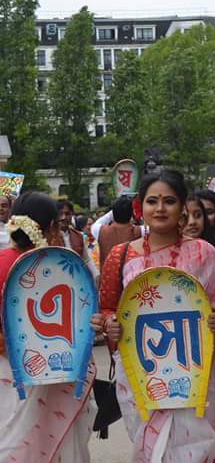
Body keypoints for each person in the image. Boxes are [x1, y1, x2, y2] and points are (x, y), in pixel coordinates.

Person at [90, 170, 215, 462]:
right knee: (149, 447)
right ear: (141, 207)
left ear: (182, 207)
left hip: (193, 368)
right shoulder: (121, 256)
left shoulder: (204, 253)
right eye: (152, 201)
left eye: (169, 201)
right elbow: (109, 306)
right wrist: (110, 323)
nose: (160, 208)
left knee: (194, 448)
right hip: (141, 368)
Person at [0, 192, 95, 462]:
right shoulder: (60, 266)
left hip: (10, 374)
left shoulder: (3, 261)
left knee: (14, 445)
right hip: (55, 373)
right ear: (51, 227)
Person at [51, 200, 99, 278]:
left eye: (67, 214)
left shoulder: (78, 235)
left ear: (72, 215)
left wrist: (96, 275)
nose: (64, 217)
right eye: (60, 214)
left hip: (76, 279)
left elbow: (86, 260)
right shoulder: (49, 236)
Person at [98, 197, 141, 268]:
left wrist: (116, 210)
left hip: (108, 275)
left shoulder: (100, 230)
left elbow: (98, 222)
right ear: (131, 213)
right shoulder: (140, 231)